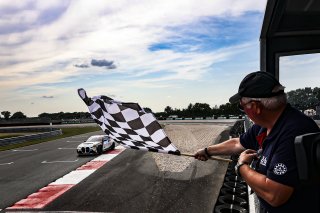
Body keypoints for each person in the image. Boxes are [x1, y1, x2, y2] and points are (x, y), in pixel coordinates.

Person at [194, 71, 320, 213]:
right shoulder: (266, 124)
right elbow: (237, 143)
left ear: (255, 106)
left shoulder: (294, 131)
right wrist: (207, 151)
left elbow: (275, 195)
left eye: (242, 106)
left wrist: (242, 166)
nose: (244, 112)